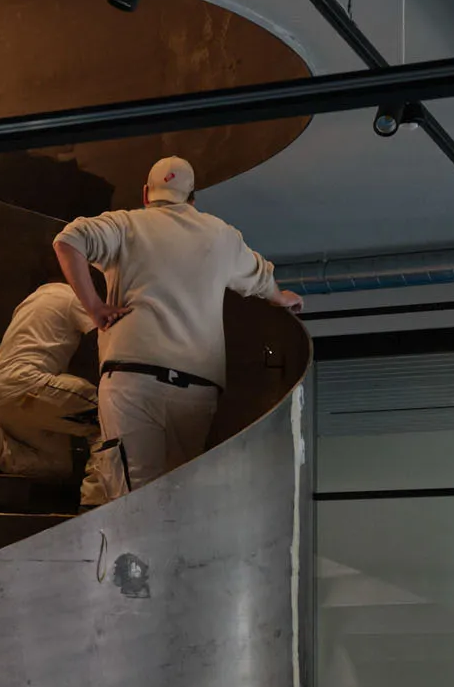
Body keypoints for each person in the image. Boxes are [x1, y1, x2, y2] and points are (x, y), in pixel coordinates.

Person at [53, 156, 303, 501]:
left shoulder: (125, 225)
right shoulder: (221, 235)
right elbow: (262, 280)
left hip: (133, 382)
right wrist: (281, 297)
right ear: (192, 197)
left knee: (133, 502)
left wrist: (95, 307)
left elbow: (68, 241)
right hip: (197, 389)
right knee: (178, 501)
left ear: (146, 193)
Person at [0, 281, 100, 482]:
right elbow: (104, 341)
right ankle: (100, 495)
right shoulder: (76, 298)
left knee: (58, 464)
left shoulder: (29, 302)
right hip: (28, 384)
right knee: (109, 416)